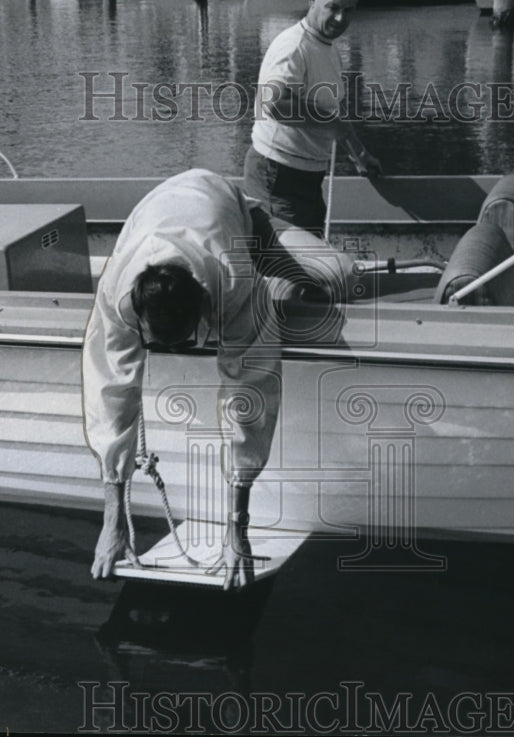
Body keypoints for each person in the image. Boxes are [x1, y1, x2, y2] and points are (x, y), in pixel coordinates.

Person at [82, 168, 352, 590]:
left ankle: (284, 283)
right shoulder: (118, 292)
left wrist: (236, 529)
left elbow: (249, 397)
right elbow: (111, 394)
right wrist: (112, 520)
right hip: (156, 217)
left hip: (241, 221)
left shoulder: (234, 280)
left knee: (341, 276)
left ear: (206, 304)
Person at [244, 0, 383, 236]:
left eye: (349, 11)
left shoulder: (328, 49)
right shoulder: (294, 46)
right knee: (292, 269)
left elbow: (332, 115)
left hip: (307, 177)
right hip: (277, 175)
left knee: (309, 261)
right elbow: (274, 103)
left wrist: (360, 154)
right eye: (333, 7)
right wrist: (332, 123)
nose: (341, 19)